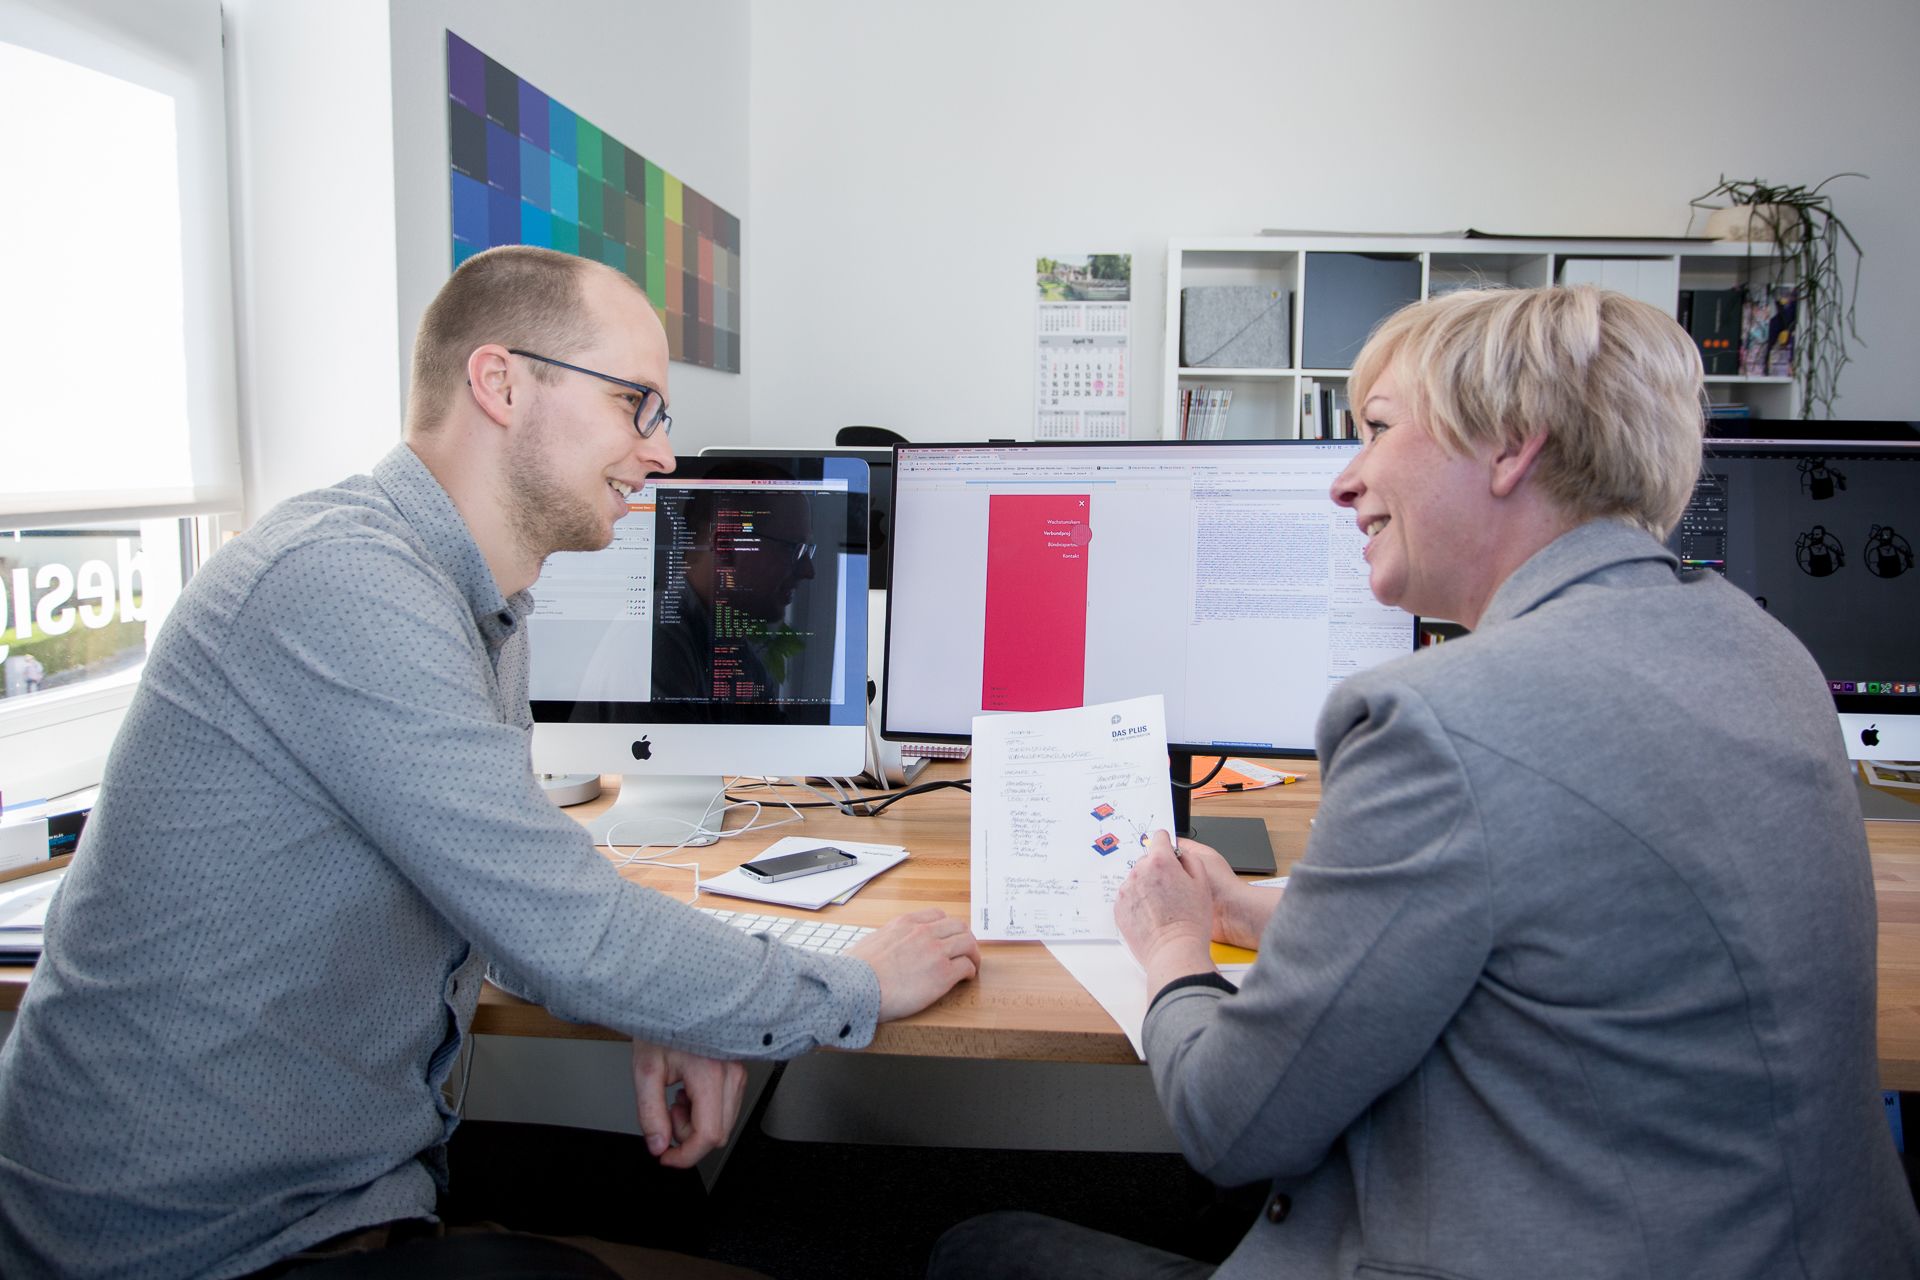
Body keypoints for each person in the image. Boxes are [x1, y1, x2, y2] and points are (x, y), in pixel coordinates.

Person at [0, 245, 981, 1280]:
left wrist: (666, 997)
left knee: (679, 1195)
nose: (662, 455)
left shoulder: (476, 605)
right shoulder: (342, 581)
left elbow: (516, 903)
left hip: (338, 1189)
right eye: (638, 406)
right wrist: (854, 985)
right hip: (189, 1247)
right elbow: (564, 931)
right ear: (501, 383)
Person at [932, 286, 1920, 1279]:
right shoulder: (1762, 649)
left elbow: (1233, 1124)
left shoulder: (1444, 718)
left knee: (975, 1248)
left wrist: (1172, 939)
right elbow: (1559, 919)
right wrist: (1253, 905)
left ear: (1508, 447)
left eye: (1376, 429)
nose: (1344, 480)